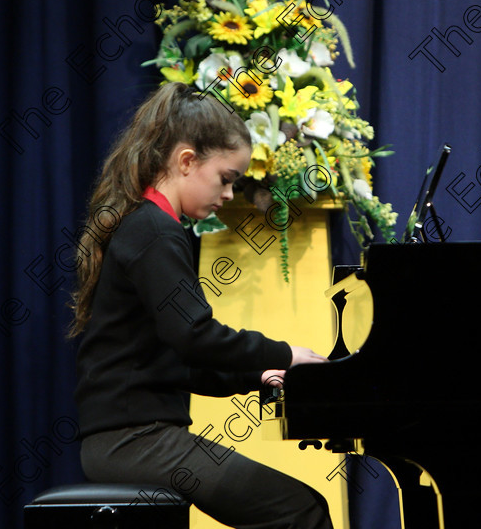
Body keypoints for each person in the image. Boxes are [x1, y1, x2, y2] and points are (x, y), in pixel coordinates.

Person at [68, 81, 333, 528]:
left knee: (297, 505)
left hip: (127, 441)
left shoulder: (147, 225)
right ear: (187, 161)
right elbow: (195, 336)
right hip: (135, 443)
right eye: (226, 179)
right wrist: (284, 353)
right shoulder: (153, 230)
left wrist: (257, 375)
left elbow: (177, 361)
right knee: (300, 510)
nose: (229, 195)